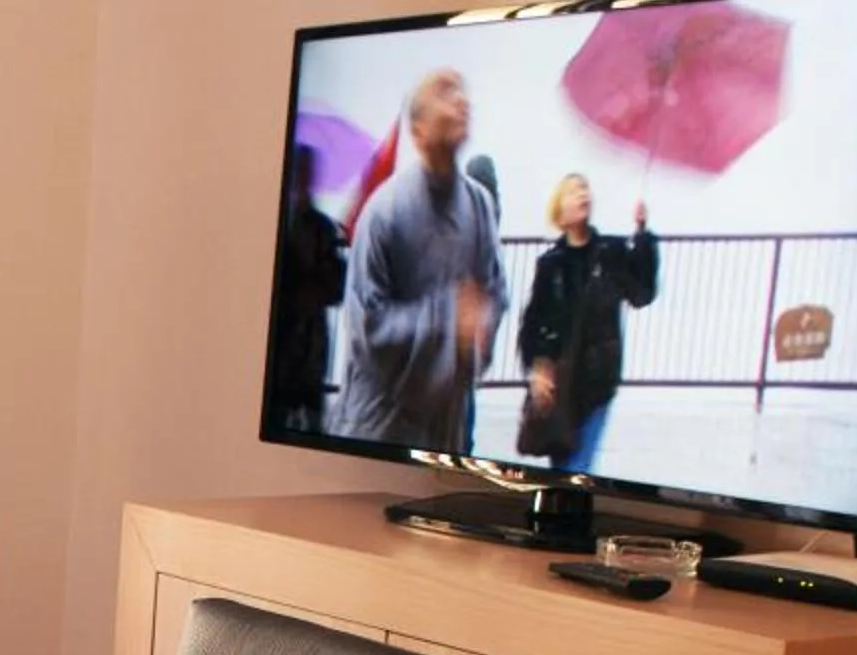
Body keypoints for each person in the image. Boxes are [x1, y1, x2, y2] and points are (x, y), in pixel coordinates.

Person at [331, 70, 505, 452]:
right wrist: (447, 317)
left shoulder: (479, 205)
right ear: (418, 130)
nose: (462, 100)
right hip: (381, 429)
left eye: (463, 91)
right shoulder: (384, 211)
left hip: (447, 429)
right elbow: (367, 326)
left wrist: (481, 326)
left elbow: (493, 295)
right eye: (446, 93)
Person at [515, 173, 659, 474]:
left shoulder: (611, 253)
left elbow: (642, 293)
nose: (583, 195)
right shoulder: (551, 264)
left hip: (598, 376)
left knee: (577, 467)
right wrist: (537, 367)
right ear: (559, 211)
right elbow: (533, 321)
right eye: (573, 191)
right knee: (563, 461)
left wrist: (643, 234)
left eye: (585, 189)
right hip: (560, 381)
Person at [267, 144, 346, 433]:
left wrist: (318, 285)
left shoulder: (322, 227)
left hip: (310, 349)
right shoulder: (276, 221)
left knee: (313, 424)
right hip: (280, 349)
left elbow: (337, 285)